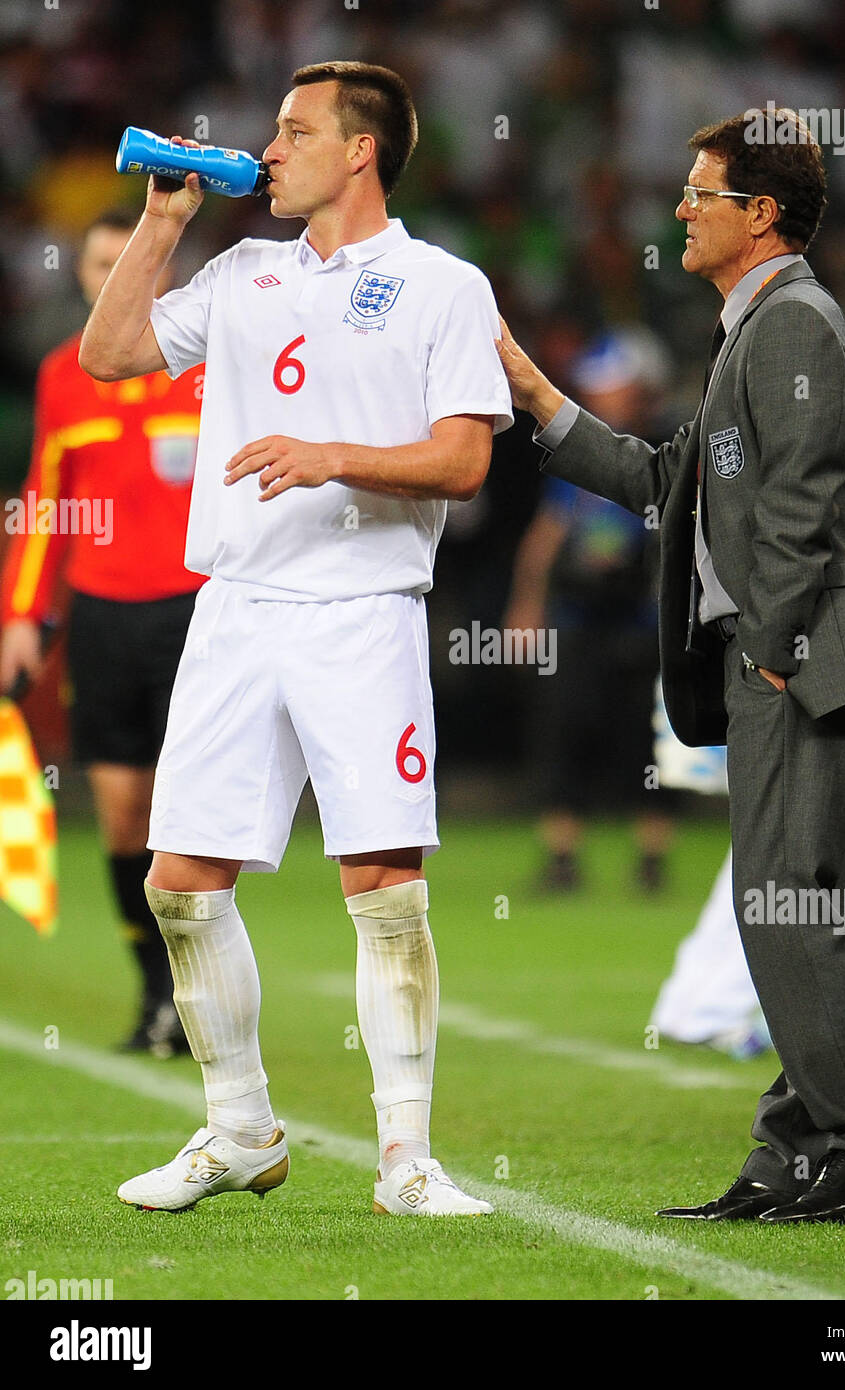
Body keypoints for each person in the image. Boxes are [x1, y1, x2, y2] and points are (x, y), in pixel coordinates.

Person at [79, 61, 512, 1216]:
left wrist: (329, 455)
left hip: (361, 611)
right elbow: (107, 355)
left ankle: (407, 1161)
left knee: (381, 883)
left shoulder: (440, 284)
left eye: (293, 130)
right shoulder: (242, 271)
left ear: (360, 150)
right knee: (179, 882)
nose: (266, 151)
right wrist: (161, 223)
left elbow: (466, 459)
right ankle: (241, 1129)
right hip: (235, 605)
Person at [498, 107, 845, 1224]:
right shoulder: (754, 328)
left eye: (701, 193)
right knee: (788, 908)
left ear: (761, 213)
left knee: (787, 908)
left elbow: (799, 505)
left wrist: (776, 648)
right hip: (791, 663)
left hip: (802, 665)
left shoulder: (789, 325)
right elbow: (660, 481)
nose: (680, 210)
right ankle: (794, 1151)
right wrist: (539, 401)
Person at [650, 239, 845, 1059]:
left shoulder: (786, 334)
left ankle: (713, 1003)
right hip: (809, 653)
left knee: (777, 851)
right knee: (801, 861)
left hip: (763, 643)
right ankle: (765, 1027)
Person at [0, 209, 204, 1058]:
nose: (113, 275)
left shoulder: (207, 364)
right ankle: (158, 992)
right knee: (124, 817)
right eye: (97, 263)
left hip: (201, 615)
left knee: (191, 821)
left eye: (131, 261)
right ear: (81, 276)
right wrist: (21, 614)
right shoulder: (63, 375)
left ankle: (198, 997)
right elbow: (43, 501)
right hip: (106, 620)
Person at [503, 329, 676, 894]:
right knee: (564, 732)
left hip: (643, 622)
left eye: (615, 386)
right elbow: (545, 537)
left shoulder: (664, 447)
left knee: (646, 741)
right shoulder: (576, 461)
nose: (605, 397)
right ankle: (562, 855)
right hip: (578, 622)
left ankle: (652, 856)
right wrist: (526, 605)